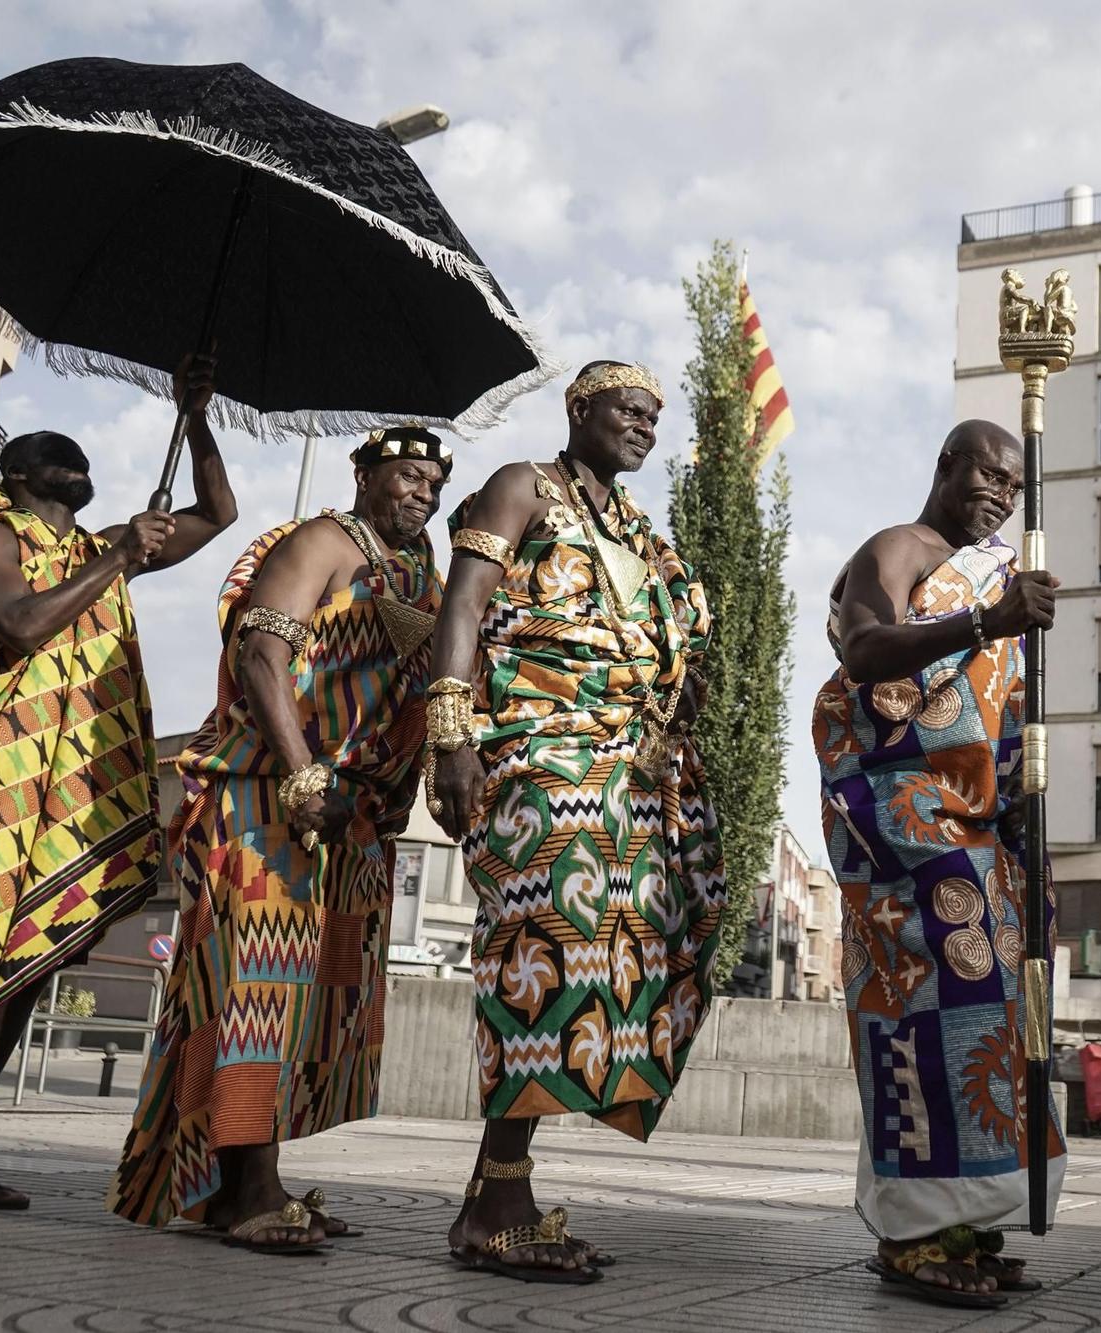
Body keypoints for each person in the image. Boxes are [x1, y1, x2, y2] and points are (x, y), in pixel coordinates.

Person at [0, 360, 236, 1224]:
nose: (74, 457)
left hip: (72, 786)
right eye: (55, 452)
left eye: (82, 454)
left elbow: (218, 514)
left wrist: (194, 420)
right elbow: (21, 621)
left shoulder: (91, 549)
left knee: (22, 973)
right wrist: (119, 552)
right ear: (17, 474)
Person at [110, 425, 448, 1253]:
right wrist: (303, 776)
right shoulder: (320, 541)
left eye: (434, 484)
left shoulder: (415, 570)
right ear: (363, 474)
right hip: (270, 800)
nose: (423, 493)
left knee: (311, 1006)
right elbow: (262, 655)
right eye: (408, 476)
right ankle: (248, 1189)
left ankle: (242, 1182)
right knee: (254, 989)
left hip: (348, 817)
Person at [426, 361, 724, 1285]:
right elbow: (464, 604)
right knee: (543, 951)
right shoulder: (525, 486)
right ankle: (502, 1207)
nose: (643, 424)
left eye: (654, 416)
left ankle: (491, 1195)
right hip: (538, 756)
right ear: (579, 409)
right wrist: (451, 736)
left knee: (664, 939)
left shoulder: (641, 530)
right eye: (628, 409)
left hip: (630, 774)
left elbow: (673, 641)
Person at [813, 419, 1065, 1310]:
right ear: (944, 467)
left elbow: (1002, 723)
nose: (998, 493)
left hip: (980, 828)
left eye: (1013, 485)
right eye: (985, 474)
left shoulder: (1002, 575)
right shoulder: (900, 548)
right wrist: (986, 620)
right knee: (916, 1012)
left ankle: (967, 1219)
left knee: (994, 1015)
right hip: (900, 822)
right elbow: (864, 651)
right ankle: (913, 1235)